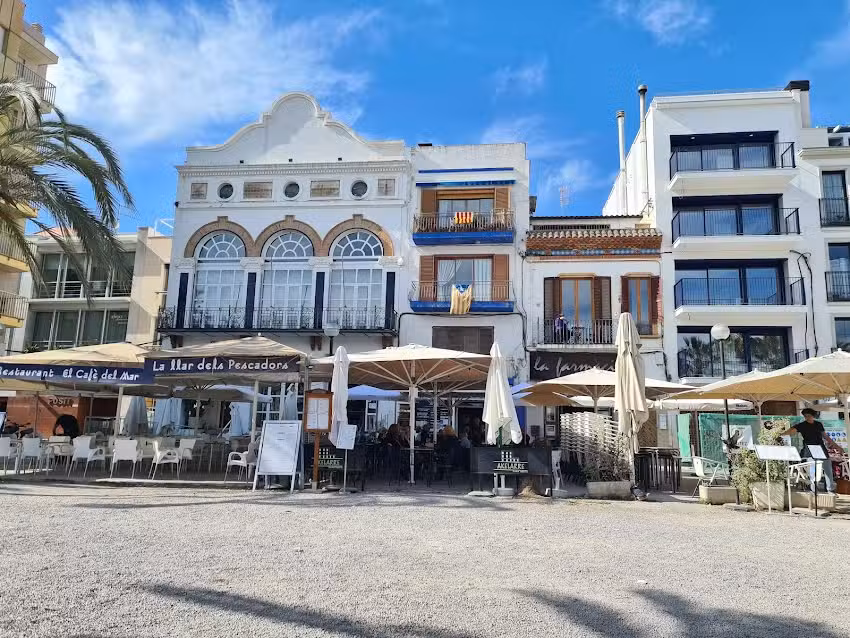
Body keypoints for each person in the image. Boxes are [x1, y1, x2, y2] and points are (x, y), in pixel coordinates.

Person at [781, 408, 843, 494]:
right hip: (809, 449)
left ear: (813, 416)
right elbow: (791, 431)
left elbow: (826, 437)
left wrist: (837, 446)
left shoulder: (818, 424)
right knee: (813, 470)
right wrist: (780, 434)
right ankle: (814, 489)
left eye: (809, 416)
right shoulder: (802, 425)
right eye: (805, 416)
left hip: (821, 448)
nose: (807, 418)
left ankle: (830, 489)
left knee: (828, 468)